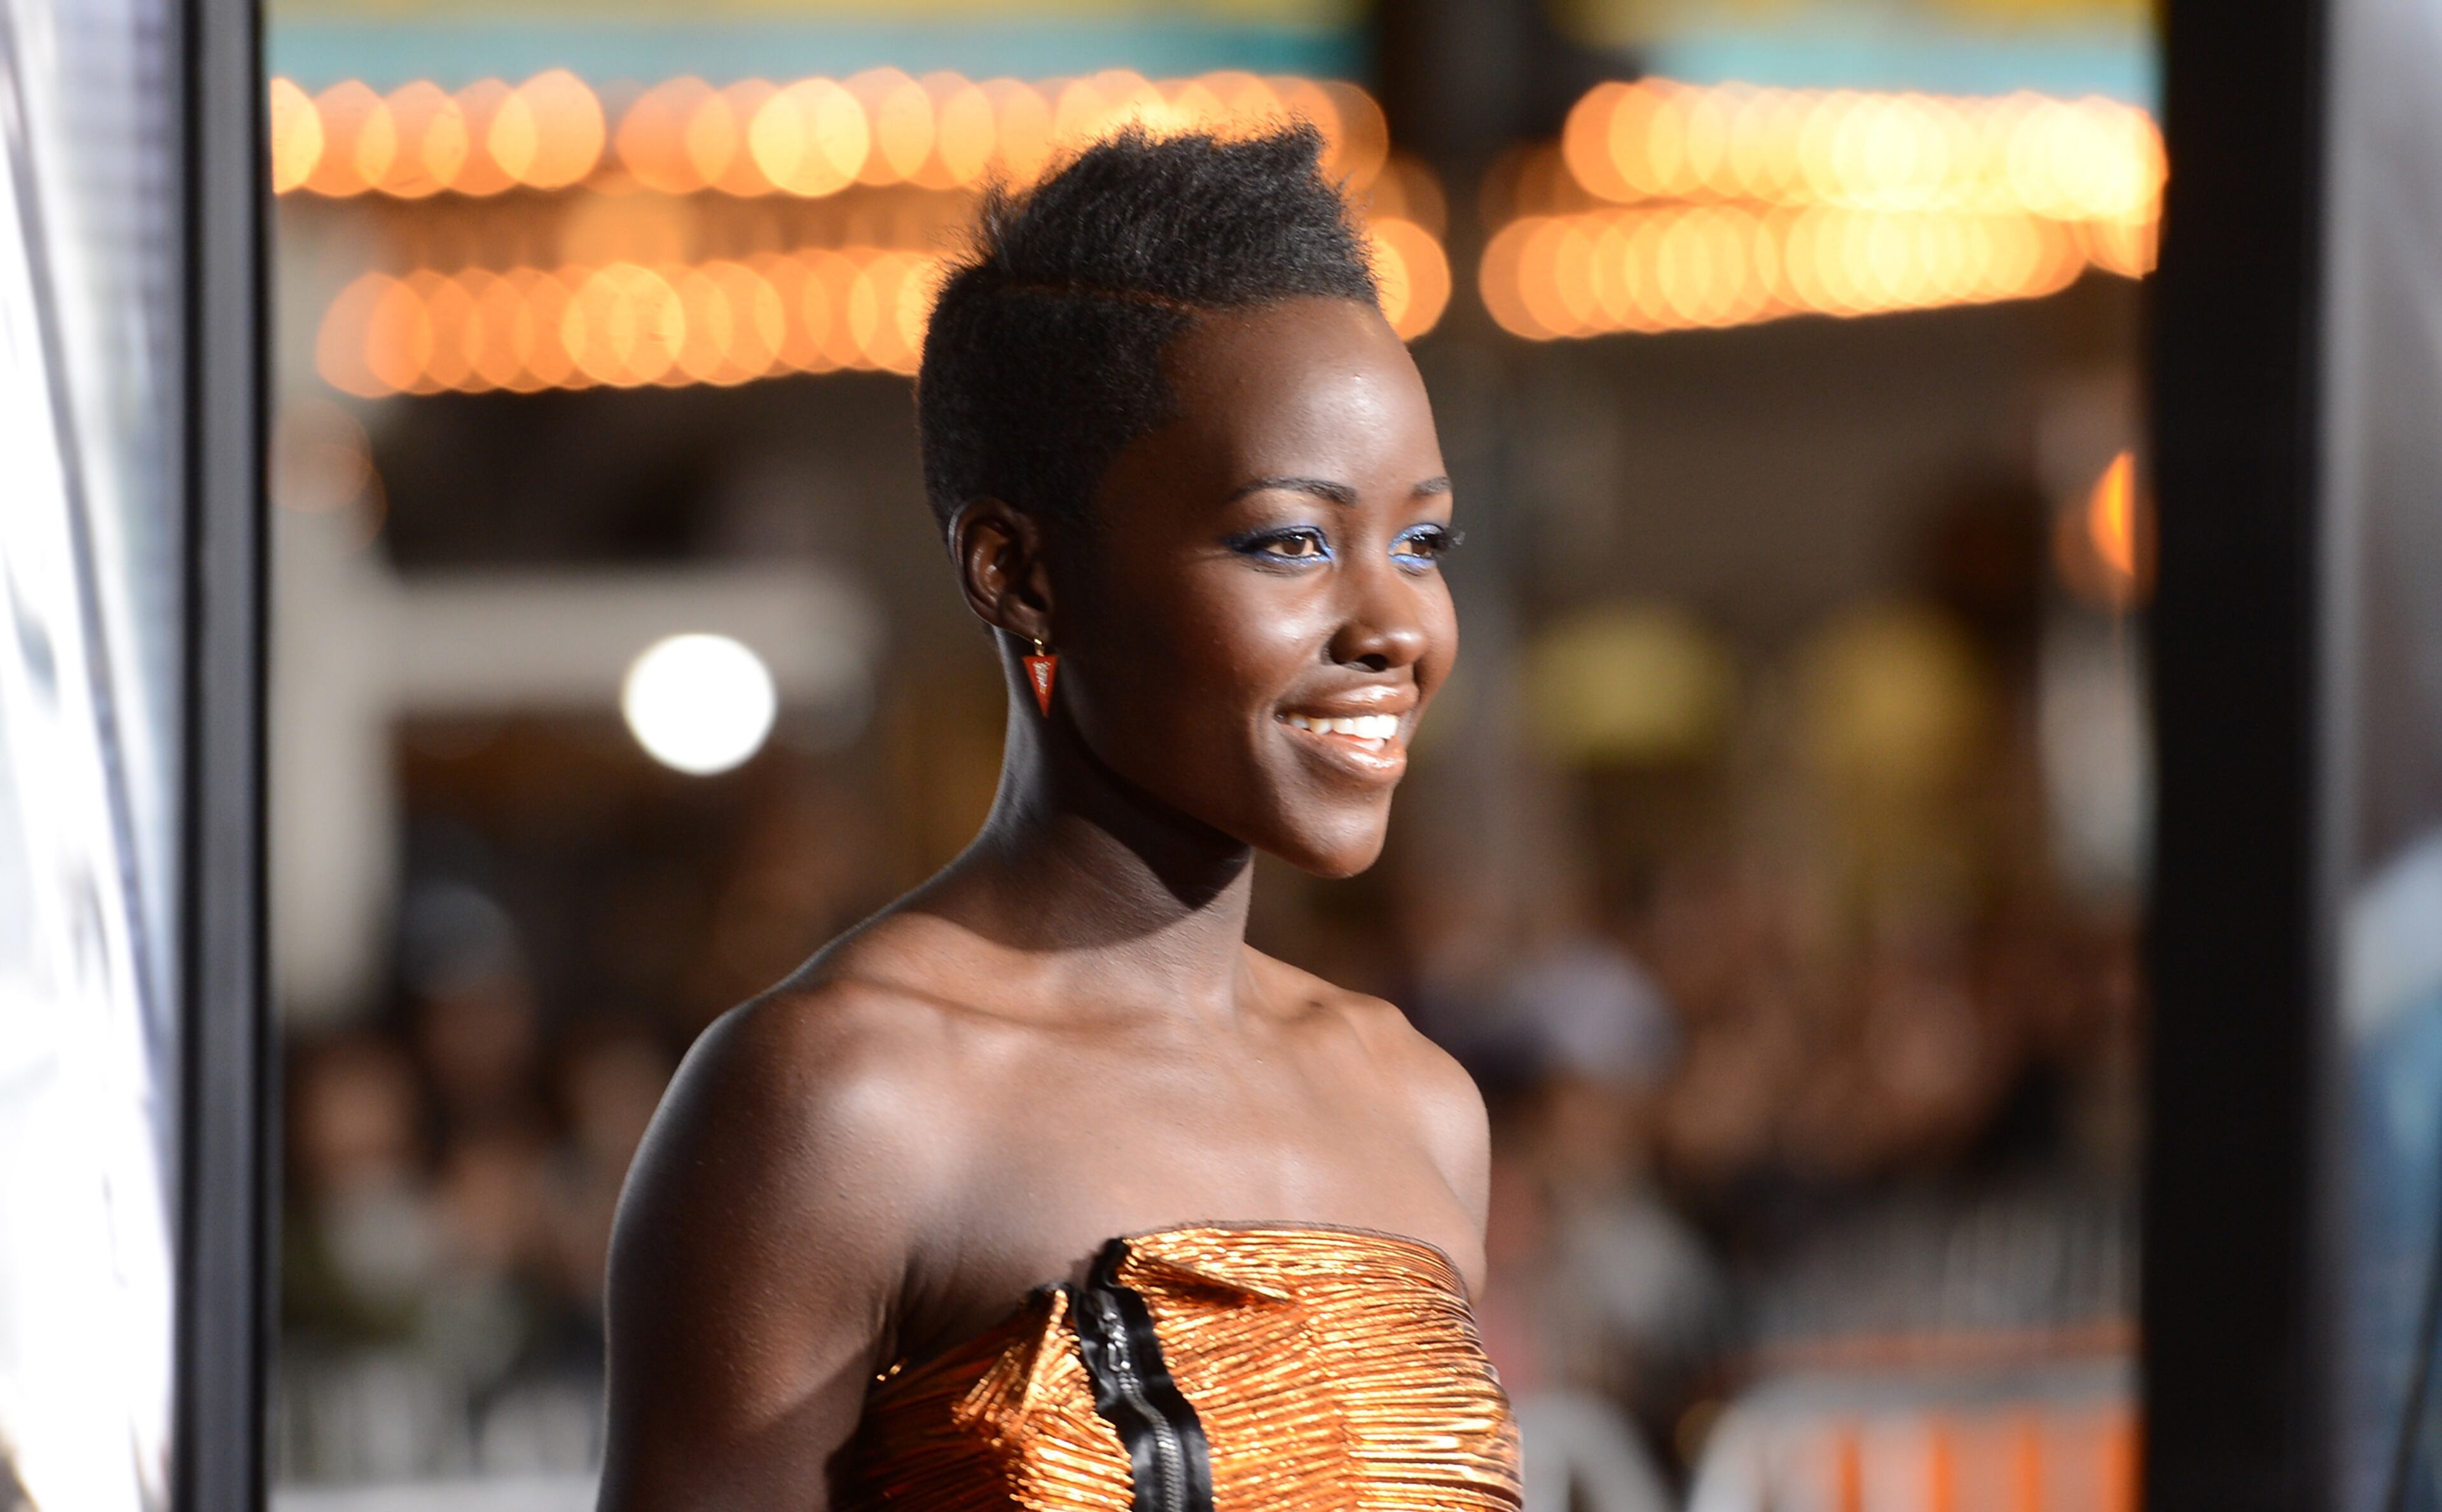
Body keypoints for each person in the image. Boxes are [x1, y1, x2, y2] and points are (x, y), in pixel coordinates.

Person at [597, 126, 1519, 1512]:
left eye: (1422, 541)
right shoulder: (838, 1103)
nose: (1394, 624)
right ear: (1018, 572)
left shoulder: (1417, 1101)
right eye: (1291, 540)